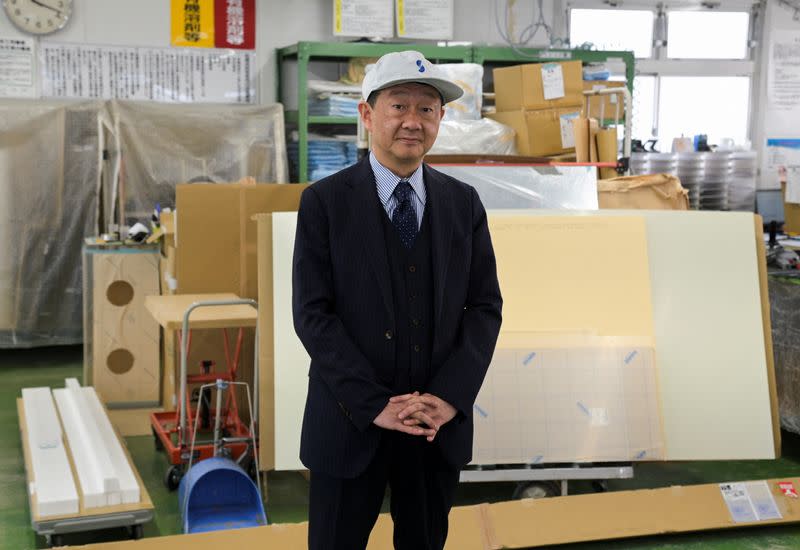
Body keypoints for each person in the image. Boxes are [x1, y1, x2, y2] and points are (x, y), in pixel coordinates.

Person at [292, 50, 503, 550]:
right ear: (367, 115)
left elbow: (484, 307)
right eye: (398, 106)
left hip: (433, 428)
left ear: (440, 119)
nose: (413, 121)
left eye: (426, 109)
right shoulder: (324, 203)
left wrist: (448, 398)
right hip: (347, 423)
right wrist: (374, 405)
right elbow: (312, 315)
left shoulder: (462, 204)